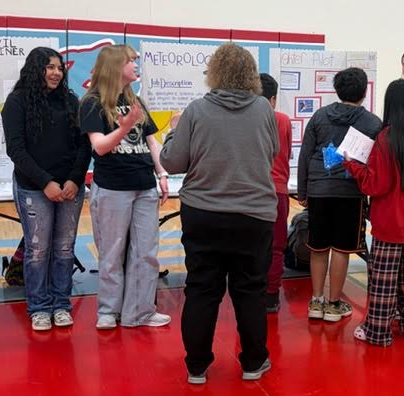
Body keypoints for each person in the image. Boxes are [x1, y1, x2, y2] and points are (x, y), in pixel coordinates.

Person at [160, 43, 277, 384]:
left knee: (202, 289)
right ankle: (254, 363)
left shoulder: (196, 111)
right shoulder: (263, 110)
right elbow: (271, 152)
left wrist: (172, 131)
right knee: (251, 290)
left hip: (204, 213)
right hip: (253, 215)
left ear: (214, 72)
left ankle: (196, 366)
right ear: (249, 74)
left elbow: (172, 161)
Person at [79, 44, 171, 329]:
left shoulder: (136, 101)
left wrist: (162, 173)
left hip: (144, 186)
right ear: (116, 65)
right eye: (131, 61)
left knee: (146, 252)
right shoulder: (92, 103)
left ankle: (140, 311)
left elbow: (151, 140)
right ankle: (108, 311)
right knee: (111, 251)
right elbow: (100, 147)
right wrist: (123, 126)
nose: (136, 65)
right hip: (112, 188)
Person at [2, 47, 91, 331]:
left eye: (59, 67)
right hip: (34, 187)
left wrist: (75, 180)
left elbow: (83, 145)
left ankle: (61, 303)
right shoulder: (17, 102)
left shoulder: (71, 101)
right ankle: (39, 307)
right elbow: (16, 150)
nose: (56, 72)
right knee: (38, 250)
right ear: (35, 69)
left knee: (64, 248)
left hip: (69, 189)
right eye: (49, 67)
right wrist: (46, 183)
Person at [344, 79, 404, 347]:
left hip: (390, 223)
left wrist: (353, 165)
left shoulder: (387, 138)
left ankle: (378, 332)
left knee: (383, 283)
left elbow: (376, 184)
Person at [297, 67, 382, 322]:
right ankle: (334, 305)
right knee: (342, 249)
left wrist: (303, 190)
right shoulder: (372, 123)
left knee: (319, 247)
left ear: (336, 90)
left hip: (319, 191)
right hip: (351, 193)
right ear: (364, 93)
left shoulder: (320, 116)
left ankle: (316, 302)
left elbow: (305, 154)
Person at [259, 73, 292, 313]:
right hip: (277, 189)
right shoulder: (282, 120)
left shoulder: (244, 120)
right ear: (273, 98)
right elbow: (286, 152)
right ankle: (271, 295)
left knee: (250, 244)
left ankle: (252, 291)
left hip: (250, 189)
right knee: (277, 245)